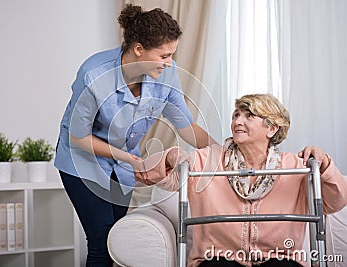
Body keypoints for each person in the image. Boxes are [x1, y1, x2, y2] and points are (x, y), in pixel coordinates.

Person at [54, 4, 215, 266]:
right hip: (82, 162)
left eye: (172, 55)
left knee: (119, 240)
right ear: (139, 49)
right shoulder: (94, 75)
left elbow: (186, 126)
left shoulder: (167, 75)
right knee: (101, 241)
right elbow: (78, 137)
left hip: (124, 165)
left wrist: (228, 152)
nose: (170, 63)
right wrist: (129, 158)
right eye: (163, 55)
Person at [139, 94, 347, 267]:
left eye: (249, 116)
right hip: (217, 258)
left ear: (272, 129)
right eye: (236, 115)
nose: (238, 121)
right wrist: (170, 156)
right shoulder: (207, 160)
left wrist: (325, 164)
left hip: (280, 257)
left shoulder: (296, 165)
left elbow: (336, 201)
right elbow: (145, 173)